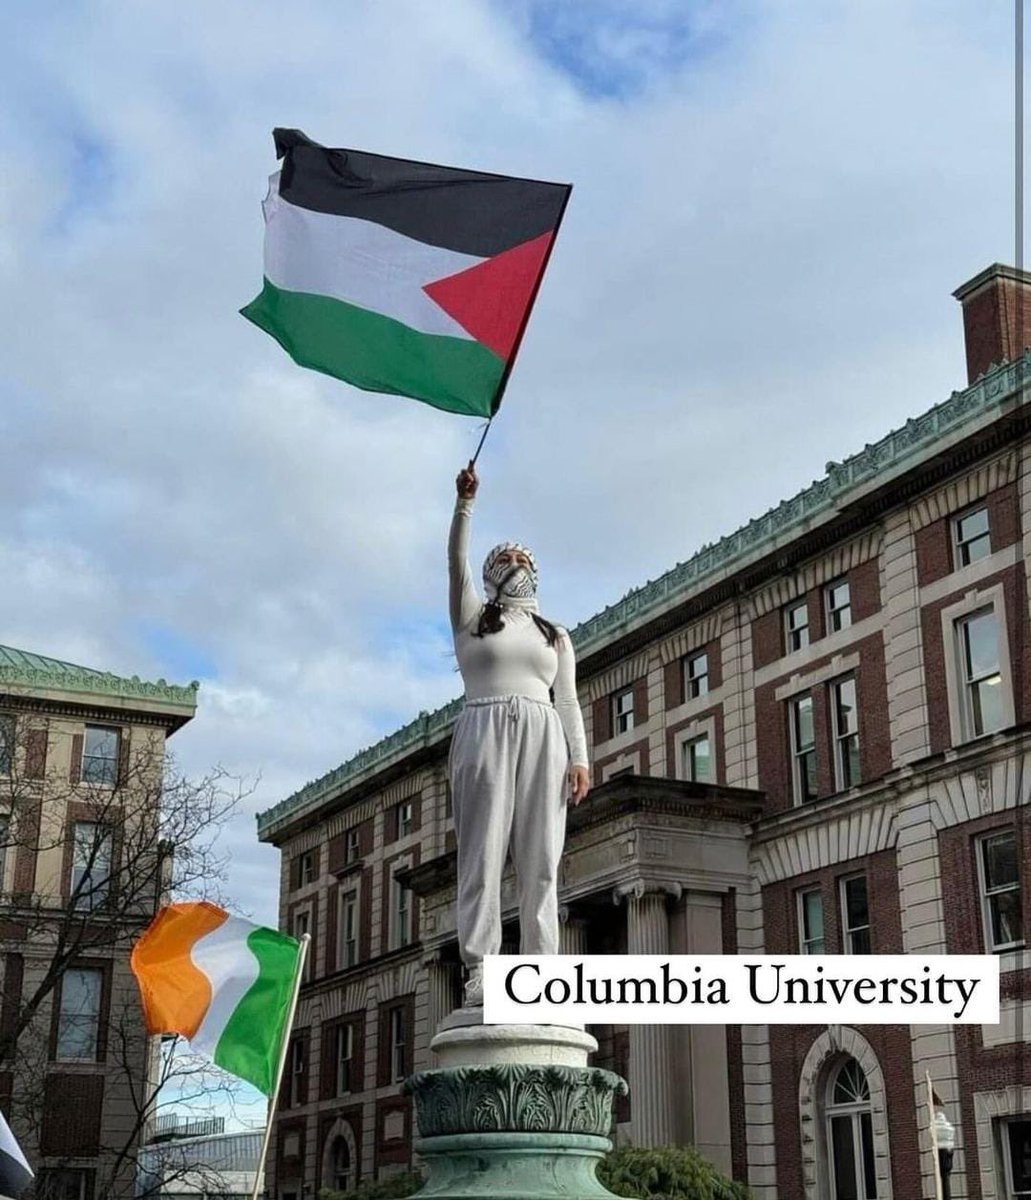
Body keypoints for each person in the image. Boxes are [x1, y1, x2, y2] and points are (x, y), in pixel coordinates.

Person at [448, 461, 590, 1006]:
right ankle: (482, 969)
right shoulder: (472, 617)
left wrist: (580, 759)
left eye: (525, 559)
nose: (517, 565)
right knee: (481, 855)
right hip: (482, 725)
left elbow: (568, 699)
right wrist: (465, 505)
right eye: (506, 558)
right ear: (490, 570)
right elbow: (456, 560)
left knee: (541, 860)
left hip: (543, 732)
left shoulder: (554, 634)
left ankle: (539, 975)